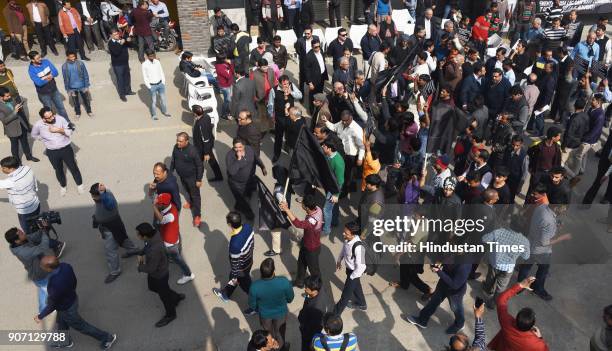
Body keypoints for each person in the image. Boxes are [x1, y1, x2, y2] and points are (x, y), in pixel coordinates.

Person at [35, 255, 117, 349]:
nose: (40, 267)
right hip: (72, 299)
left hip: (66, 308)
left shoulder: (55, 284)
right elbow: (74, 281)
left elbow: (52, 305)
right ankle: (65, 341)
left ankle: (107, 338)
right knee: (61, 322)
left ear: (49, 268)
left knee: (82, 326)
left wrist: (40, 316)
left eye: (42, 266)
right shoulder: (66, 266)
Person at [517, 202, 571, 301]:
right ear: (557, 207)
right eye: (564, 208)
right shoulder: (549, 221)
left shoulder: (542, 207)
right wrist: (562, 237)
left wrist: (556, 226)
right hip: (541, 251)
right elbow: (544, 242)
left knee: (525, 266)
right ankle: (538, 289)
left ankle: (519, 286)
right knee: (543, 269)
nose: (564, 211)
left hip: (530, 243)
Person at [135, 222, 185, 328]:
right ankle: (176, 297)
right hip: (158, 273)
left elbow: (150, 268)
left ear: (144, 236)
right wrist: (141, 253)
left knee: (164, 297)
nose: (137, 236)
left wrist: (140, 267)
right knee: (153, 287)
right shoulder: (154, 235)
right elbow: (147, 245)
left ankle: (171, 314)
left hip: (159, 275)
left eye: (138, 234)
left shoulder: (154, 251)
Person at [90, 183, 140, 283]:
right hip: (112, 224)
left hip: (110, 228)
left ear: (100, 195)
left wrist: (102, 195)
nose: (92, 198)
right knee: (122, 238)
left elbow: (110, 204)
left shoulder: (107, 199)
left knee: (110, 250)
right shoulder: (104, 194)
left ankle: (115, 271)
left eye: (94, 196)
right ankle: (133, 250)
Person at [405, 260, 472, 334]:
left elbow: (455, 285)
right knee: (433, 302)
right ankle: (422, 320)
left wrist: (439, 271)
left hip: (455, 293)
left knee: (455, 308)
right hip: (443, 285)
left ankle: (459, 324)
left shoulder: (465, 265)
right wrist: (439, 263)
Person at [31, 107, 83, 196]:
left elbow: (70, 131)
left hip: (65, 149)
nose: (52, 118)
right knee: (58, 170)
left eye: (52, 115)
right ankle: (63, 186)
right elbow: (34, 135)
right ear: (43, 119)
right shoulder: (38, 125)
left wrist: (59, 130)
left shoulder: (60, 119)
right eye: (49, 117)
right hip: (52, 152)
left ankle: (80, 184)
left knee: (73, 167)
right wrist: (43, 139)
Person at [488, 277, 549, 350]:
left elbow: (501, 300)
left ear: (516, 318)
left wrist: (520, 285)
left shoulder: (506, 322)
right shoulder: (536, 344)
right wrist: (540, 337)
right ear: (531, 326)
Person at [481, 220, 531, 309]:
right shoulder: (525, 241)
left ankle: (488, 291)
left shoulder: (499, 232)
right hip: (508, 268)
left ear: (510, 224)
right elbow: (526, 256)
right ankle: (493, 303)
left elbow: (484, 238)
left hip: (494, 263)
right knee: (501, 288)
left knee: (490, 278)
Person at [5, 227, 54, 314]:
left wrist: (42, 229)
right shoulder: (23, 252)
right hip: (40, 275)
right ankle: (44, 310)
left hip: (42, 271)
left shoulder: (22, 239)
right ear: (17, 241)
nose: (24, 233)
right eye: (21, 233)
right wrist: (45, 233)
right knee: (50, 291)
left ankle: (42, 310)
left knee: (43, 291)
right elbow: (43, 248)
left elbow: (34, 236)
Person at [249, 258, 294, 350]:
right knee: (280, 334)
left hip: (265, 316)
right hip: (281, 313)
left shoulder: (254, 287)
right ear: (273, 271)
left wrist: (260, 309)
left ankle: (270, 348)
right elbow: (290, 298)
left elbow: (252, 305)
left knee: (268, 335)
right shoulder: (284, 282)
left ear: (261, 273)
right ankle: (281, 348)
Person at [279, 194, 322, 287]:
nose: (301, 204)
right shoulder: (317, 208)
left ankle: (318, 288)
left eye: (302, 204)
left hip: (312, 248)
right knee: (301, 264)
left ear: (307, 208)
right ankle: (299, 282)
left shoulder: (313, 220)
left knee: (314, 271)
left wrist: (286, 209)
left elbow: (298, 224)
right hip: (305, 243)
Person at [212, 211, 255, 305]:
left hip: (241, 268)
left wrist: (235, 275)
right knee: (236, 278)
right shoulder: (248, 227)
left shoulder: (234, 244)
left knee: (245, 285)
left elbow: (235, 264)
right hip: (249, 261)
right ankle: (225, 294)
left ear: (229, 224)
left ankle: (257, 304)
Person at [153, 193, 195, 285]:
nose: (157, 204)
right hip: (173, 236)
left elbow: (161, 220)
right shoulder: (171, 206)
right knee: (174, 254)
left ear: (164, 204)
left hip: (170, 242)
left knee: (178, 259)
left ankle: (188, 274)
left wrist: (154, 207)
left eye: (159, 203)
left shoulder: (170, 215)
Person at [322, 110, 365, 197]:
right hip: (341, 151)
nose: (344, 122)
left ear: (351, 118)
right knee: (341, 172)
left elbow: (361, 146)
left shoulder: (356, 129)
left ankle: (344, 191)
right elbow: (334, 127)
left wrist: (360, 158)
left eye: (346, 120)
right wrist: (326, 121)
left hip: (350, 155)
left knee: (347, 174)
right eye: (343, 120)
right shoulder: (341, 123)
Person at [0, 156, 46, 234]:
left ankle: (48, 243)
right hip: (35, 203)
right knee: (37, 224)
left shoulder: (11, 181)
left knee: (28, 231)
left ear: (11, 169)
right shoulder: (27, 169)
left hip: (25, 210)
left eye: (4, 168)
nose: (2, 170)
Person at [225, 138, 267, 221]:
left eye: (240, 147)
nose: (238, 149)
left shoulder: (250, 149)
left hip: (249, 180)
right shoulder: (229, 156)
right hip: (236, 183)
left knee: (247, 195)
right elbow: (232, 171)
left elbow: (256, 158)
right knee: (243, 201)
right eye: (235, 147)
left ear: (244, 146)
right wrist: (239, 159)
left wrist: (262, 166)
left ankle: (238, 205)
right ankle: (249, 214)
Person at [170, 132, 203, 227]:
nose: (178, 143)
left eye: (180, 141)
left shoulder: (192, 151)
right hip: (182, 176)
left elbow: (199, 165)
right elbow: (173, 160)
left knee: (195, 196)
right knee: (187, 191)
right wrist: (170, 172)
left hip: (192, 178)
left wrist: (199, 179)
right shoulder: (176, 147)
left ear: (186, 141)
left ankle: (197, 215)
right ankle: (191, 203)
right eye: (177, 140)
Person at [334, 221, 367, 315]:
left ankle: (335, 315)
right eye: (344, 231)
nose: (343, 234)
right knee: (357, 287)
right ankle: (362, 304)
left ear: (353, 234)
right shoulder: (347, 239)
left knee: (345, 297)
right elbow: (344, 250)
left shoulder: (359, 247)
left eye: (346, 233)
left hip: (354, 273)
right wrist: (339, 260)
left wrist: (352, 277)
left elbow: (361, 267)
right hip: (350, 270)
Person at [27, 51, 70, 123]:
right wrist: (49, 77)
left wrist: (44, 78)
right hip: (44, 94)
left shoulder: (46, 62)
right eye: (37, 58)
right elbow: (39, 83)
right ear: (32, 60)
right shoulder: (31, 70)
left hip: (54, 90)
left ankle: (67, 122)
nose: (40, 59)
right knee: (48, 111)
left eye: (40, 57)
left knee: (61, 108)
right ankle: (52, 124)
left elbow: (56, 72)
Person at [268, 75, 303, 162]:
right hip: (280, 117)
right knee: (278, 137)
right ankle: (276, 154)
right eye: (284, 84)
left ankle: (288, 147)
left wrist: (291, 92)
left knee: (290, 134)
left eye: (287, 83)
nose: (286, 85)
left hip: (291, 117)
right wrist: (271, 116)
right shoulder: (273, 90)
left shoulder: (291, 86)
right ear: (279, 83)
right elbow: (270, 104)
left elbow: (300, 96)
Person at [0, 88, 38, 164]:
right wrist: (14, 112)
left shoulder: (11, 99)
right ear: (1, 97)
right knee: (15, 146)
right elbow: (4, 120)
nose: (9, 97)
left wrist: (19, 106)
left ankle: (29, 156)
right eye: (7, 96)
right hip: (12, 129)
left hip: (21, 124)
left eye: (9, 95)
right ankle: (17, 161)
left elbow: (17, 108)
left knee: (25, 142)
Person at [192, 105, 223, 182]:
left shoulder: (200, 124)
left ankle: (198, 178)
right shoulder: (206, 116)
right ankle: (219, 176)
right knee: (212, 161)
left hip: (202, 147)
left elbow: (205, 139)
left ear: (195, 113)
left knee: (198, 163)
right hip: (208, 145)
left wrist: (206, 153)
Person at [321, 138, 344, 236]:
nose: (322, 146)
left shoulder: (337, 162)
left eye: (324, 146)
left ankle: (326, 229)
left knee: (326, 209)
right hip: (330, 185)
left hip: (334, 189)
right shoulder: (329, 156)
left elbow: (340, 181)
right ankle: (334, 221)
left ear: (329, 149)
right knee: (333, 206)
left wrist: (336, 195)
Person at [298, 276, 327, 351]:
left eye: (307, 288)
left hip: (310, 333)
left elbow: (311, 327)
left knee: (306, 346)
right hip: (313, 326)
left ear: (314, 291)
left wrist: (302, 328)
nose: (305, 289)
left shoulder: (315, 308)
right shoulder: (320, 289)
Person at [62, 51, 93, 119]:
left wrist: (86, 86)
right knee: (75, 102)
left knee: (86, 100)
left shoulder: (80, 63)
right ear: (67, 57)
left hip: (82, 86)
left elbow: (85, 74)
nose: (73, 58)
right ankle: (78, 112)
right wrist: (68, 90)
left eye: (74, 56)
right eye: (71, 57)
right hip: (72, 88)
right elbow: (65, 79)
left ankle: (89, 111)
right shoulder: (64, 66)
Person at [142, 50, 170, 120]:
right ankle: (154, 115)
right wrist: (149, 86)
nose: (152, 57)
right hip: (152, 86)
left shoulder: (157, 62)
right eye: (150, 56)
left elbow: (161, 71)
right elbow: (145, 77)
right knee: (153, 101)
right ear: (147, 56)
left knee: (163, 99)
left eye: (153, 55)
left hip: (160, 84)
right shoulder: (144, 64)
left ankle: (165, 112)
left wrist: (163, 82)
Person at [108, 29, 134, 102]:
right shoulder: (110, 43)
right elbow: (116, 52)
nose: (117, 35)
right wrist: (120, 44)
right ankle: (122, 95)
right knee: (120, 80)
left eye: (117, 34)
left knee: (127, 77)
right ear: (111, 35)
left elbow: (131, 45)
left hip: (125, 63)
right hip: (118, 65)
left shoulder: (122, 39)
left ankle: (128, 91)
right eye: (115, 34)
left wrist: (129, 41)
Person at [214, 54, 234, 120]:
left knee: (228, 99)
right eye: (225, 58)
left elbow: (232, 71)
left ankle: (227, 110)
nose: (226, 59)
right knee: (227, 100)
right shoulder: (219, 67)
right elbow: (229, 76)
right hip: (225, 85)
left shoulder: (225, 63)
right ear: (221, 60)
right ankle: (224, 114)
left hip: (229, 84)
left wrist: (230, 65)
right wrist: (230, 66)